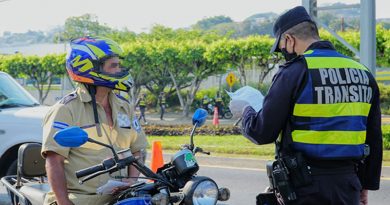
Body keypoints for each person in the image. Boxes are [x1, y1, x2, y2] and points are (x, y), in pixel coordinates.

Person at [229, 6, 382, 205]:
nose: (283, 52)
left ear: (289, 40)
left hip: (305, 187)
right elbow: (373, 137)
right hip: (347, 185)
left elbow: (262, 132)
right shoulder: (363, 73)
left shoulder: (294, 72)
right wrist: (365, 184)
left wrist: (246, 110)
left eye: (281, 47)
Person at [41, 36, 148, 205]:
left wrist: (131, 181)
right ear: (90, 69)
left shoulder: (124, 106)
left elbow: (137, 150)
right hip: (80, 199)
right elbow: (54, 161)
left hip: (119, 197)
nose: (120, 70)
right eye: (114, 65)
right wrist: (63, 202)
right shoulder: (65, 110)